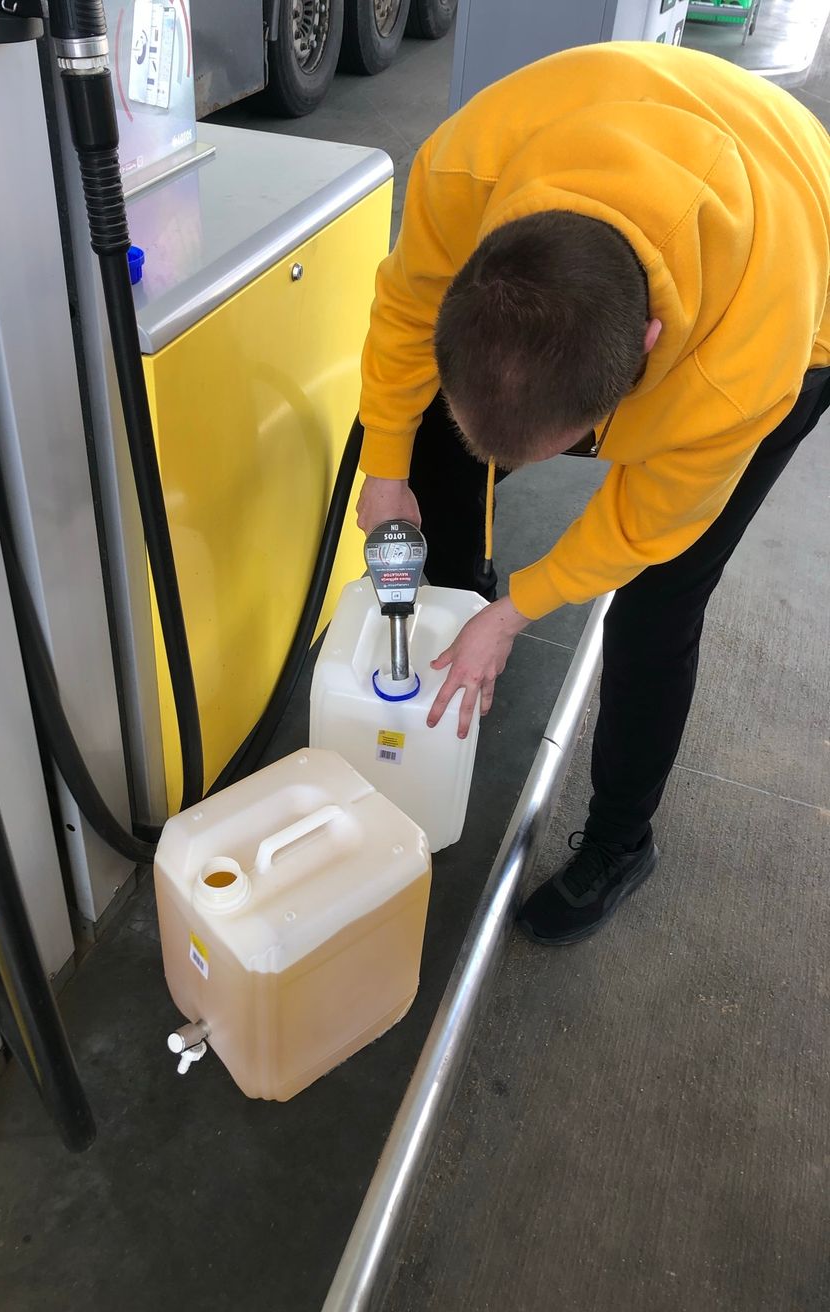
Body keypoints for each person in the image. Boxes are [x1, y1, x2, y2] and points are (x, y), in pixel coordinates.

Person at [355, 41, 830, 946]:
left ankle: (621, 840)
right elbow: (407, 312)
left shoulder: (741, 372)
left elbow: (648, 521)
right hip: (621, 132)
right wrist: (386, 467)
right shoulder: (461, 171)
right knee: (426, 442)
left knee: (660, 598)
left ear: (645, 349)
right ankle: (455, 625)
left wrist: (522, 610)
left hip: (802, 265)